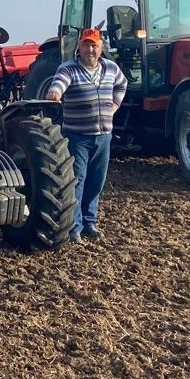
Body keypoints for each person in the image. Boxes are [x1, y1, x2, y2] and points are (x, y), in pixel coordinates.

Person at [44, 27, 128, 243]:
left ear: (101, 47)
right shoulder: (68, 68)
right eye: (86, 45)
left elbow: (122, 84)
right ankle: (75, 227)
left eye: (94, 45)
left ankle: (90, 223)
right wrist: (55, 92)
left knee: (96, 181)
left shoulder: (110, 67)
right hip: (78, 136)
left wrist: (115, 105)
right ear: (79, 47)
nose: (90, 49)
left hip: (104, 136)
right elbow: (59, 83)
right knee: (77, 181)